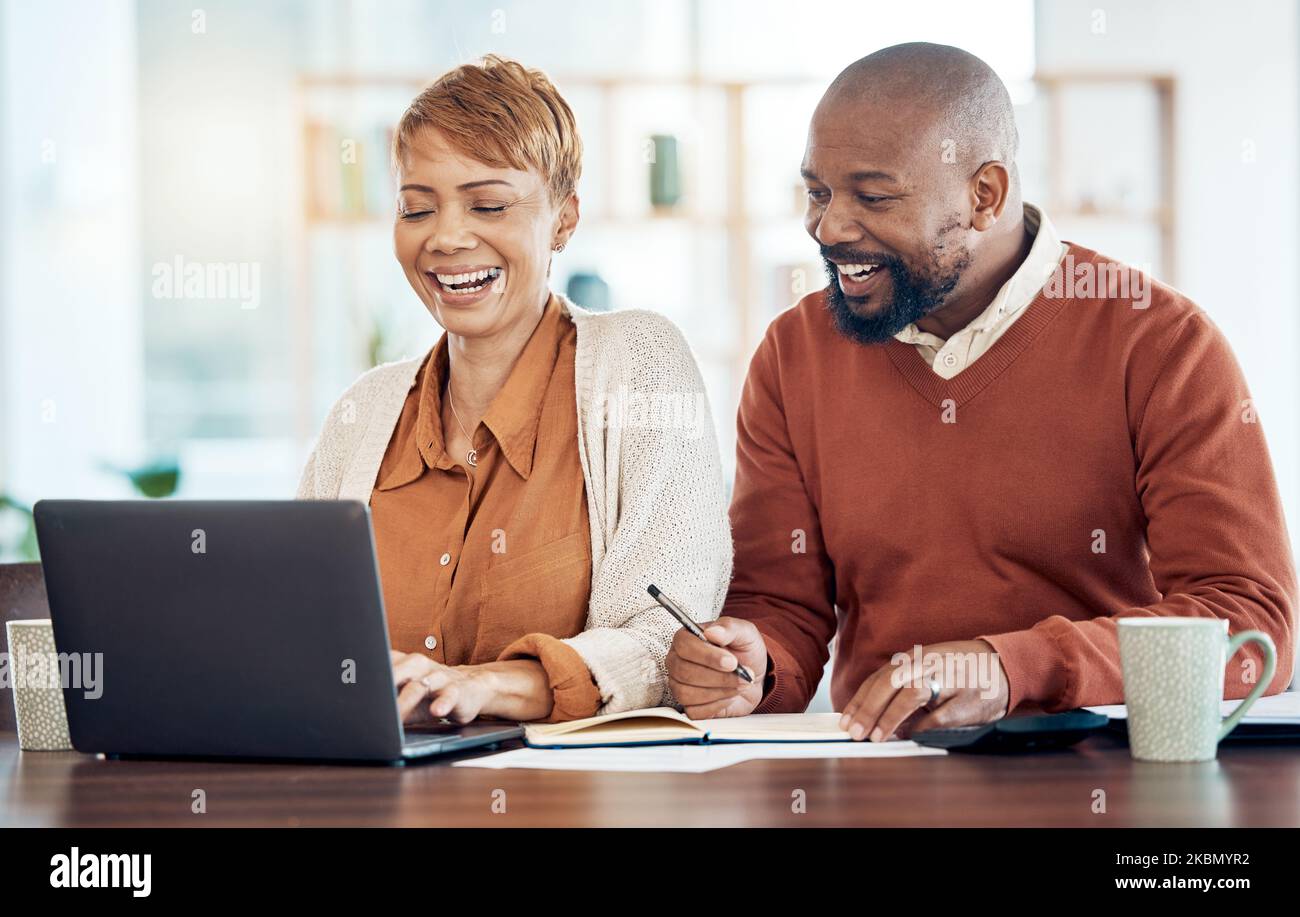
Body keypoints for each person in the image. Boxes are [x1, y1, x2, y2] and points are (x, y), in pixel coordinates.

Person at [666, 42, 1295, 742]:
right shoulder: (793, 353)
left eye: (873, 196)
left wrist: (1010, 666)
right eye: (818, 192)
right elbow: (779, 606)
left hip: (1106, 770)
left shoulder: (1162, 343)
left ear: (984, 195)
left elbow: (1249, 625)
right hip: (885, 774)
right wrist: (752, 665)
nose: (829, 228)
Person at [298, 55, 731, 725]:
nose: (445, 237)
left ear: (564, 218)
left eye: (489, 204)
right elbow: (299, 636)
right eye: (417, 207)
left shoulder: (640, 363)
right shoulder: (362, 415)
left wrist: (479, 686)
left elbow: (663, 642)